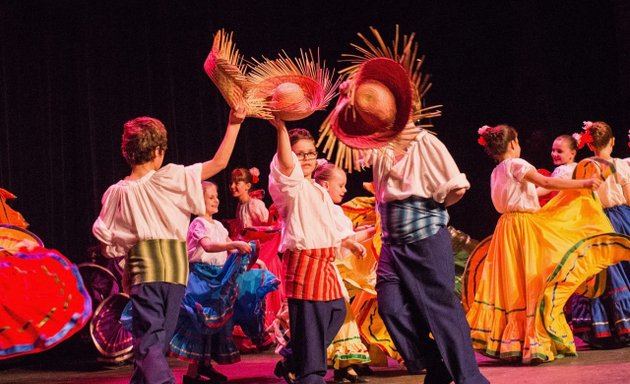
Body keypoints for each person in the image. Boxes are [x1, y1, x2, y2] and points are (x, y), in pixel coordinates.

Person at [92, 107, 245, 384]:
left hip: (147, 272)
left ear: (127, 152)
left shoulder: (119, 192)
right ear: (158, 152)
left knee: (153, 342)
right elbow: (219, 162)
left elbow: (107, 239)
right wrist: (234, 123)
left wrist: (124, 260)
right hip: (174, 273)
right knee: (156, 342)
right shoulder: (171, 178)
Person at [467, 123, 629, 364]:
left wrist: (568, 193)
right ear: (513, 144)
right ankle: (533, 340)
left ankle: (511, 340)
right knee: (535, 280)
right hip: (523, 227)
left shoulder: (497, 170)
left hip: (506, 228)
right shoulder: (518, 164)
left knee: (514, 283)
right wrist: (582, 185)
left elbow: (535, 192)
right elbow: (546, 183)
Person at [357, 120, 488, 384]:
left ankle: (470, 378)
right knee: (390, 307)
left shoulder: (426, 143)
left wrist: (430, 209)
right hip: (391, 244)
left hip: (425, 238)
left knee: (441, 309)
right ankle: (435, 363)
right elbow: (351, 137)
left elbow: (457, 186)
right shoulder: (381, 146)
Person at [267, 122, 346, 384]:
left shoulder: (316, 189)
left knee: (337, 312)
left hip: (325, 263)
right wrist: (280, 127)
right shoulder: (291, 187)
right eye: (300, 154)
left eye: (311, 153)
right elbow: (286, 164)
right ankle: (310, 375)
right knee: (312, 330)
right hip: (304, 261)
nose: (307, 159)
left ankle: (294, 359)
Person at [169, 181, 263, 384]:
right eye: (210, 197)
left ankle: (205, 366)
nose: (216, 200)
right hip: (202, 279)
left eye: (216, 196)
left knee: (215, 325)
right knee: (201, 323)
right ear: (198, 200)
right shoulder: (198, 224)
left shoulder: (218, 225)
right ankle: (191, 375)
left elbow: (230, 246)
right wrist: (234, 243)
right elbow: (209, 246)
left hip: (217, 278)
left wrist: (252, 255)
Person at [570, 121, 630, 348]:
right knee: (622, 270)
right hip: (621, 221)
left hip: (594, 224)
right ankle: (624, 324)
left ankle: (604, 328)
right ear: (612, 142)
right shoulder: (621, 165)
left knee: (603, 276)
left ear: (589, 144)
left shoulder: (582, 166)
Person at [313, 161, 373, 383]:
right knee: (333, 317)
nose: (345, 190)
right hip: (324, 269)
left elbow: (345, 239)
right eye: (340, 185)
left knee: (344, 316)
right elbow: (340, 241)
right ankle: (297, 361)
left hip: (334, 270)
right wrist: (358, 240)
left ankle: (345, 366)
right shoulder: (321, 210)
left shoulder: (335, 211)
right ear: (325, 185)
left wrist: (370, 232)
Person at [537, 134, 579, 203]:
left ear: (573, 153)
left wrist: (530, 194)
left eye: (559, 151)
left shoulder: (563, 170)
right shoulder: (576, 167)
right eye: (553, 150)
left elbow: (549, 185)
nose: (554, 154)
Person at [229, 167, 272, 234]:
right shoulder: (240, 206)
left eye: (237, 183)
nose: (232, 186)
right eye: (231, 183)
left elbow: (268, 226)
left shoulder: (255, 204)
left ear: (248, 186)